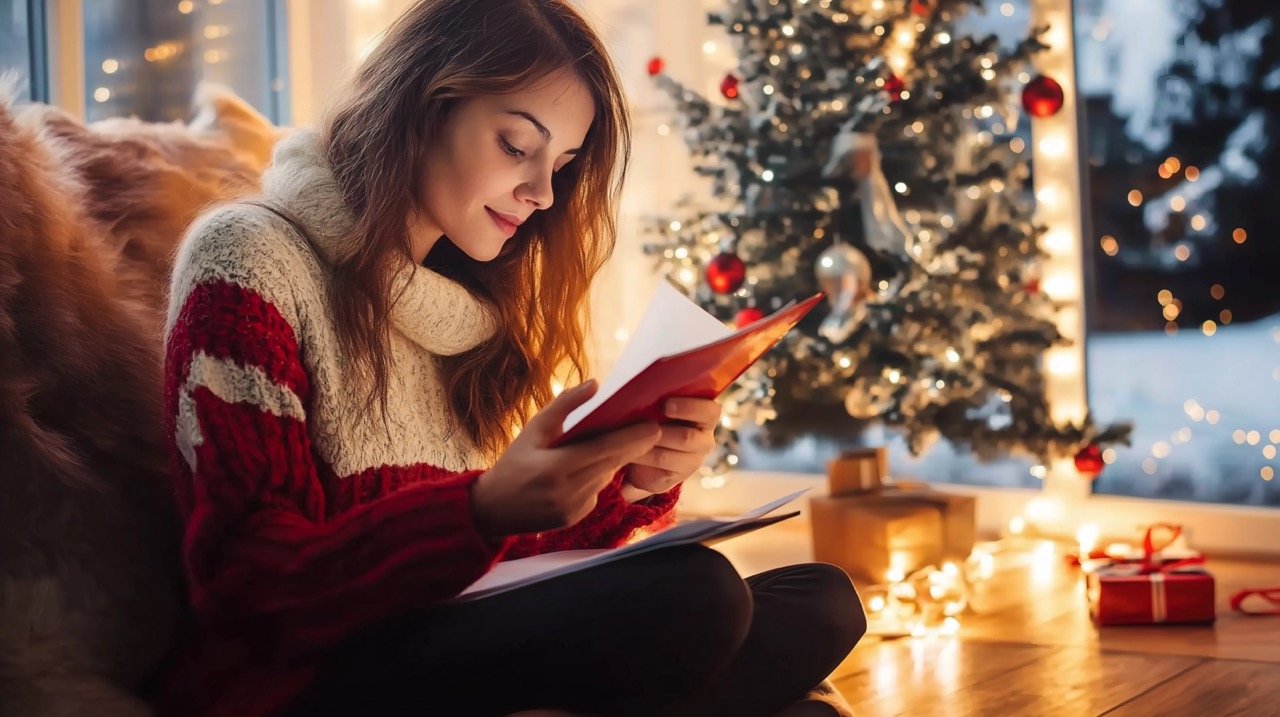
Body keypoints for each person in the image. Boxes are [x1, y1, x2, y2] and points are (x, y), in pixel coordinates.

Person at [157, 0, 865, 715]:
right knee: (698, 598)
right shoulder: (247, 257)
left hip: (447, 643)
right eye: (515, 145)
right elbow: (250, 587)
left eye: (561, 163)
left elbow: (497, 569)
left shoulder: (464, 308)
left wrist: (630, 484)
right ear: (423, 105)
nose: (543, 192)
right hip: (308, 676)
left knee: (823, 602)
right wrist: (481, 508)